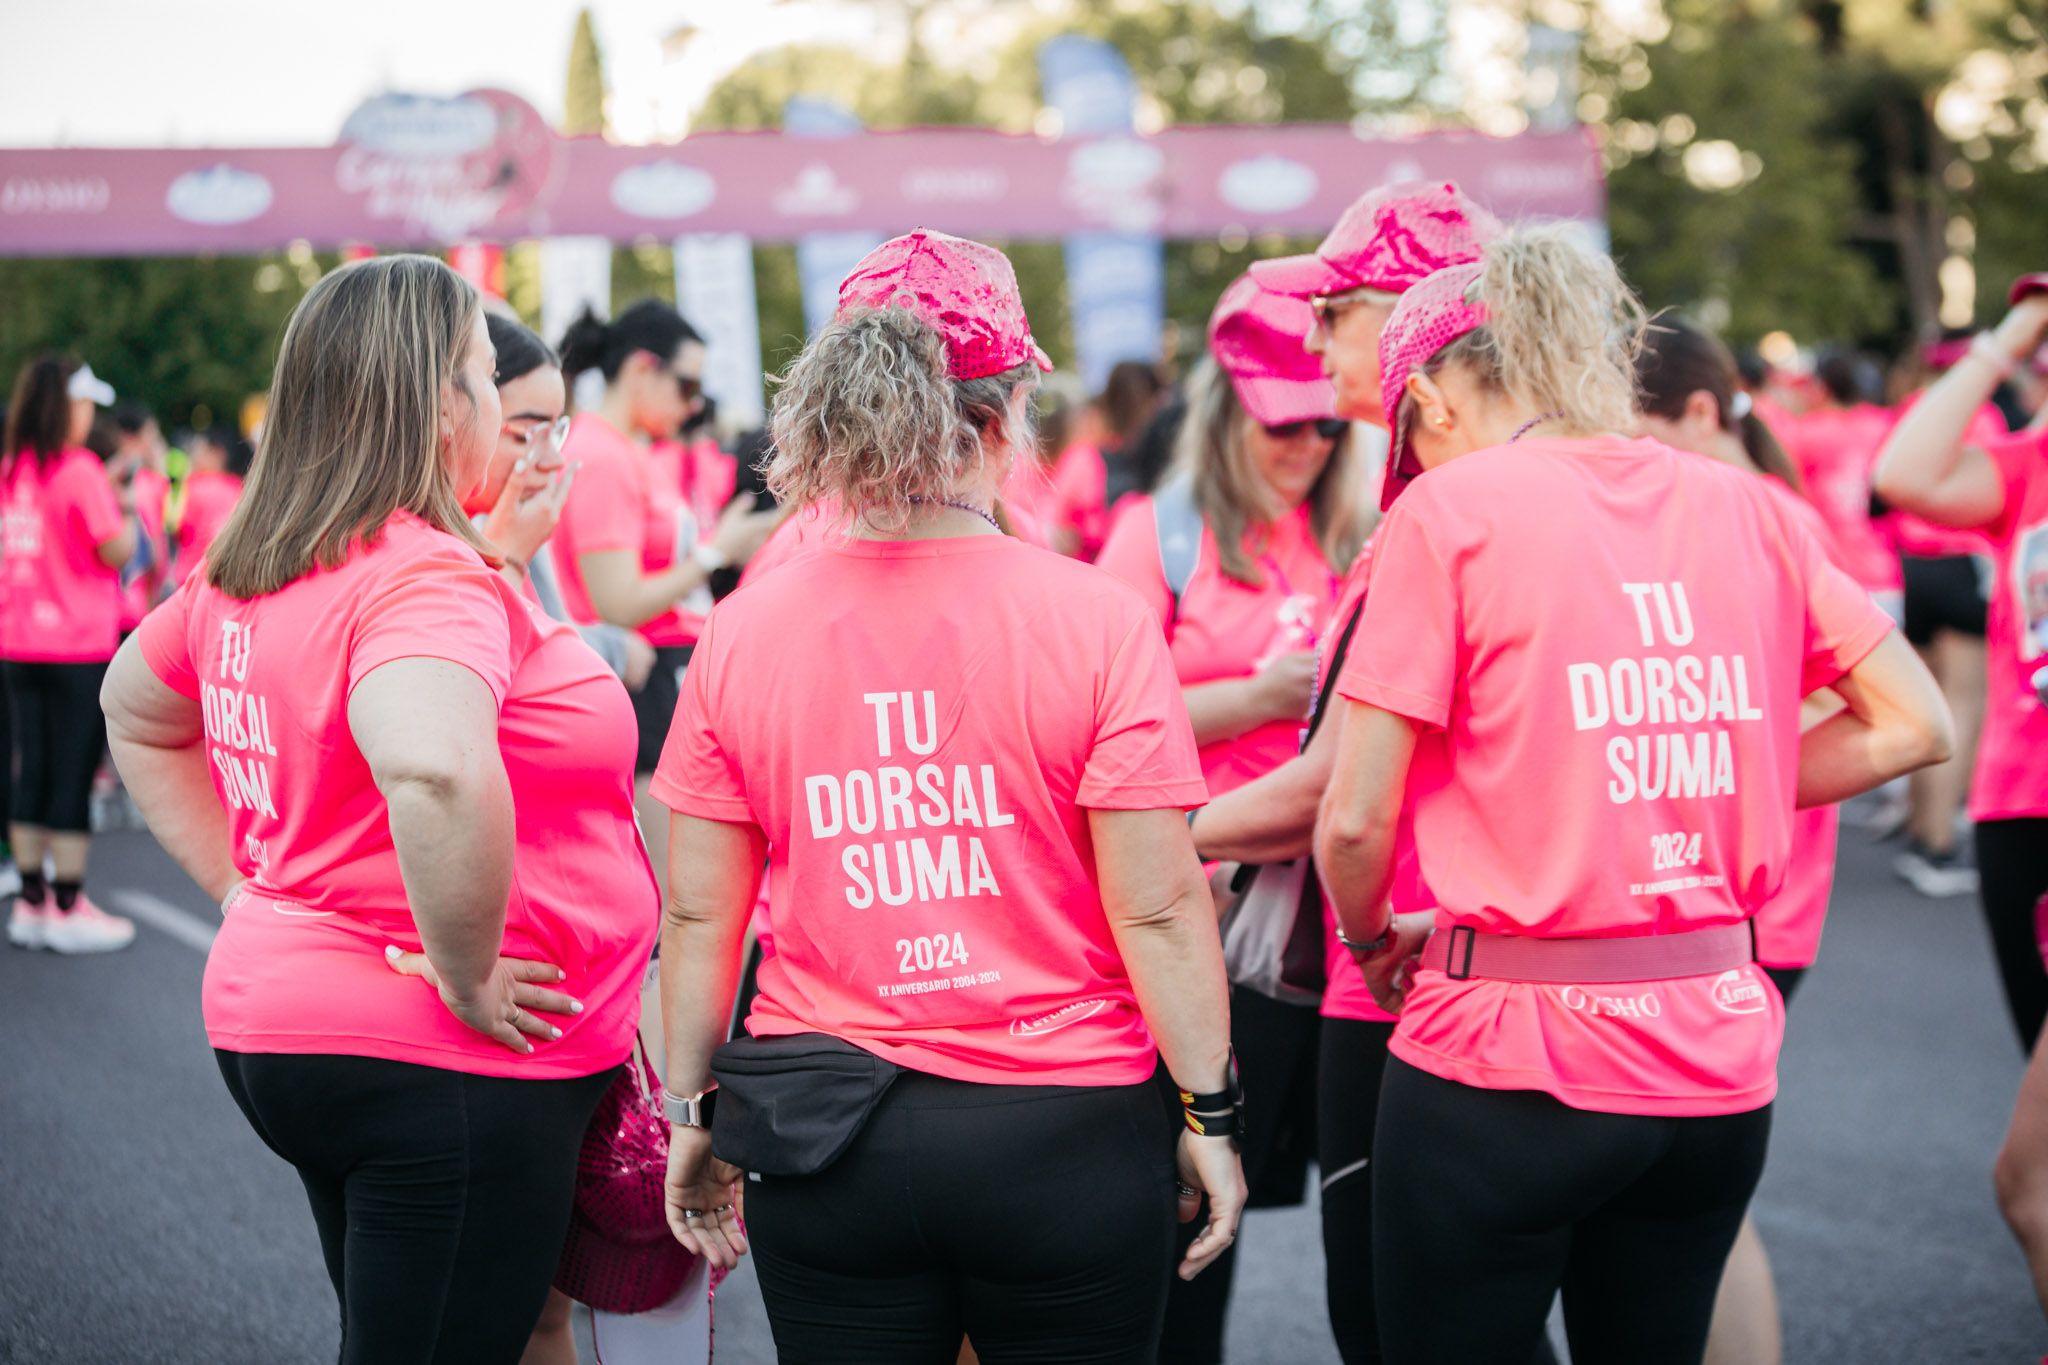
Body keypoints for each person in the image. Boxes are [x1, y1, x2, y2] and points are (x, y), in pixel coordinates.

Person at [1315, 230, 1951, 1363]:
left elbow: (1354, 818)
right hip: (1711, 1055)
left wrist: (1368, 937)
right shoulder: (1749, 506)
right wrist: (1710, 788)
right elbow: (1912, 723)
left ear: (1425, 401)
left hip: (1503, 1062)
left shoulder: (1447, 516)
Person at [652, 230, 1245, 1364]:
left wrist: (690, 1113)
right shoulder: (1092, 619)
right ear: (1000, 416)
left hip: (824, 1139)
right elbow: (1160, 908)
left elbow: (698, 916)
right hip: (1062, 1129)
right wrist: (1206, 1115)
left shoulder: (741, 626)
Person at [99, 254, 658, 1364]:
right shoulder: (420, 572)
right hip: (432, 1056)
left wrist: (254, 892)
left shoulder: (259, 559)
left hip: (300, 1030)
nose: (502, 406)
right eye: (486, 376)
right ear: (441, 399)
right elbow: (435, 770)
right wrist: (464, 971)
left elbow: (138, 708)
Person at [1189, 179, 1498, 1364]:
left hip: (1404, 969)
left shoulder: (1442, 512)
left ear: (1416, 314)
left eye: (1333, 312)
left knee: (1400, 1323)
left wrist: (1150, 837)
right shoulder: (1451, 498)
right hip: (1450, 956)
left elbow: (1335, 797)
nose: (1311, 348)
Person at [1095, 272, 1364, 1364]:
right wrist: (1256, 697)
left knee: (1349, 1228)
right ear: (1224, 411)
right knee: (1181, 1221)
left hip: (1331, 928)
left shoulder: (1364, 526)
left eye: (1323, 422)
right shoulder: (1155, 536)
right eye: (1279, 423)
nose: (1304, 444)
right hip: (1190, 911)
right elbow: (1091, 726)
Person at [1635, 316, 1843, 1365]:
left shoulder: (1757, 518)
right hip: (1732, 900)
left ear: (1702, 413)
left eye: (1635, 431)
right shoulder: (1736, 511)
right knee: (1701, 1201)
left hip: (1740, 903)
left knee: (1690, 1204)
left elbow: (1837, 718)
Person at [552, 300, 782, 891]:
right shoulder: (600, 455)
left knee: (706, 894)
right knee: (679, 902)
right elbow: (616, 603)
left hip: (656, 680)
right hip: (637, 685)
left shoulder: (627, 451)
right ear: (641, 369)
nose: (693, 404)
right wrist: (712, 554)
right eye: (687, 384)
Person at [1876, 283, 2048, 1057]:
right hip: (2024, 801)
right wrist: (2005, 338)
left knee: (2027, 1170)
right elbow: (1906, 474)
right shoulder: (2031, 464)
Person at [2, 356, 139, 953]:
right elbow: (115, 550)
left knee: (31, 768)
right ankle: (68, 904)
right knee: (72, 771)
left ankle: (32, 904)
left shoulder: (13, 468)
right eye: (85, 404)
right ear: (67, 404)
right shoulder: (80, 469)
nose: (90, 416)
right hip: (77, 646)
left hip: (17, 640)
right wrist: (127, 508)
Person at [1882, 335, 2004, 897]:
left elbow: (1878, 496)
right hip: (1960, 567)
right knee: (1962, 705)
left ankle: (1918, 825)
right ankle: (1936, 842)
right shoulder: (1982, 420)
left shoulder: (1914, 413)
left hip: (1915, 567)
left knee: (1926, 699)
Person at [113, 402, 172, 634]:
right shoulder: (146, 484)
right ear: (131, 437)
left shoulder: (101, 473)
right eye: (152, 434)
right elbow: (156, 551)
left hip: (106, 609)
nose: (156, 443)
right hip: (136, 607)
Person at [172, 424, 246, 585]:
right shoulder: (241, 490)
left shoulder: (194, 487)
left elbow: (175, 526)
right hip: (222, 583)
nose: (193, 456)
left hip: (189, 583)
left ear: (217, 452)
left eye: (198, 449)